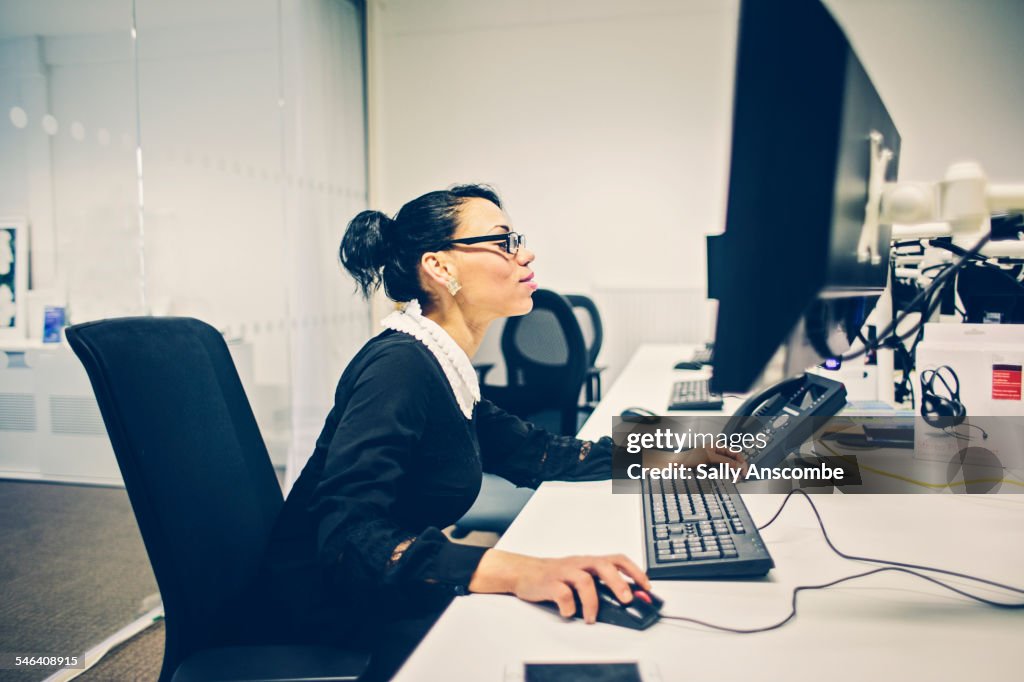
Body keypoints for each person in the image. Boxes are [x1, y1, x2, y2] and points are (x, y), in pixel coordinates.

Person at [245, 184, 741, 680]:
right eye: (504, 241)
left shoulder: (441, 363)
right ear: (439, 267)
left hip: (382, 593)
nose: (525, 253)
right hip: (328, 620)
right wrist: (520, 570)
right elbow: (351, 540)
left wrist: (670, 453)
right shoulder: (398, 368)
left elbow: (539, 452)